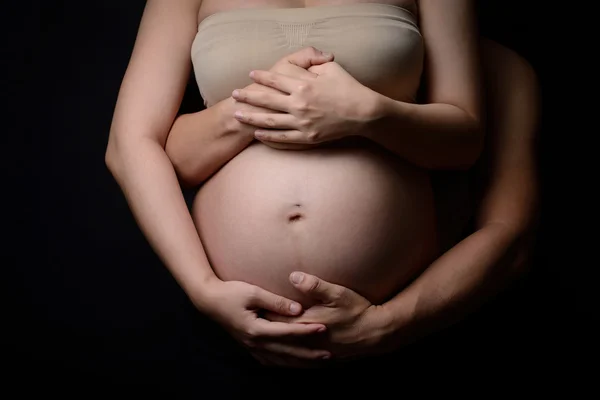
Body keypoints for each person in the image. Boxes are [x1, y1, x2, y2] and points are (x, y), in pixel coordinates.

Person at [105, 0, 539, 369]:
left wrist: (367, 114)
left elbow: (466, 143)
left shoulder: (498, 67)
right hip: (224, 339)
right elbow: (136, 144)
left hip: (408, 336)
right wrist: (202, 288)